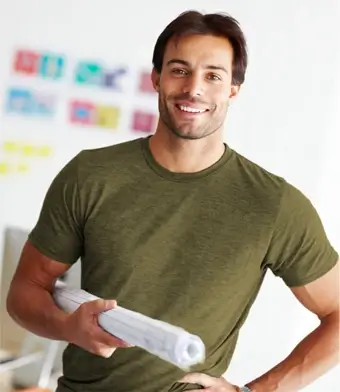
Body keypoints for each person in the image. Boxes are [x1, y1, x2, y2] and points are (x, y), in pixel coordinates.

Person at [6, 10, 339, 392]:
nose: (193, 88)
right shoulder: (91, 176)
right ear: (157, 78)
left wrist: (255, 391)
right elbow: (25, 290)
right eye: (179, 70)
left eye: (213, 75)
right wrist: (69, 327)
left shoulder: (274, 205)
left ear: (233, 88)